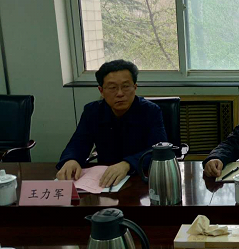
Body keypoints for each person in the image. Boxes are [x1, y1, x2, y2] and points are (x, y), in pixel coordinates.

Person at [56, 59, 167, 187]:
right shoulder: (92, 112)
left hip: (141, 178)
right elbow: (78, 143)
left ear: (135, 87)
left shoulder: (150, 111)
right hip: (104, 180)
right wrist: (71, 159)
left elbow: (158, 150)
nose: (120, 93)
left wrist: (128, 164)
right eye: (112, 88)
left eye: (126, 86)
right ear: (101, 91)